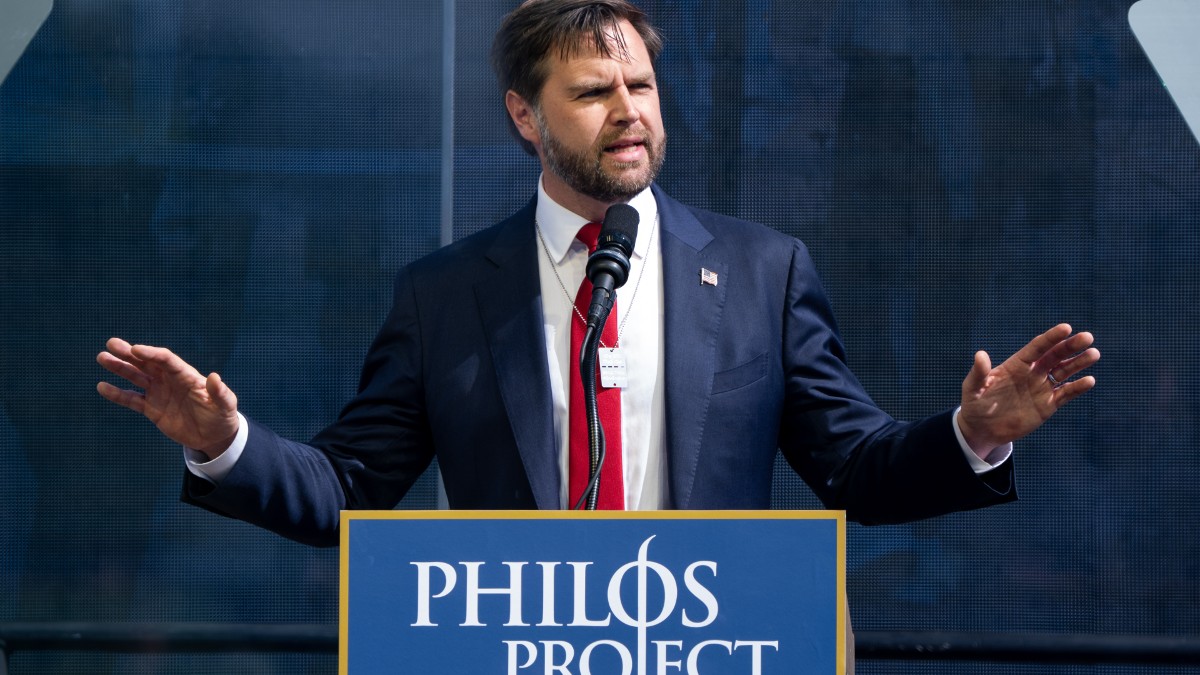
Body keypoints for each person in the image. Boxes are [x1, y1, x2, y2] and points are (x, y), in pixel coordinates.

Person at [96, 0, 1097, 588]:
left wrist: (971, 435)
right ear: (525, 117)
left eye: (643, 88)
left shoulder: (762, 272)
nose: (629, 112)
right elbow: (351, 487)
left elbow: (857, 471)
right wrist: (222, 444)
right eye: (593, 93)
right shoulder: (445, 295)